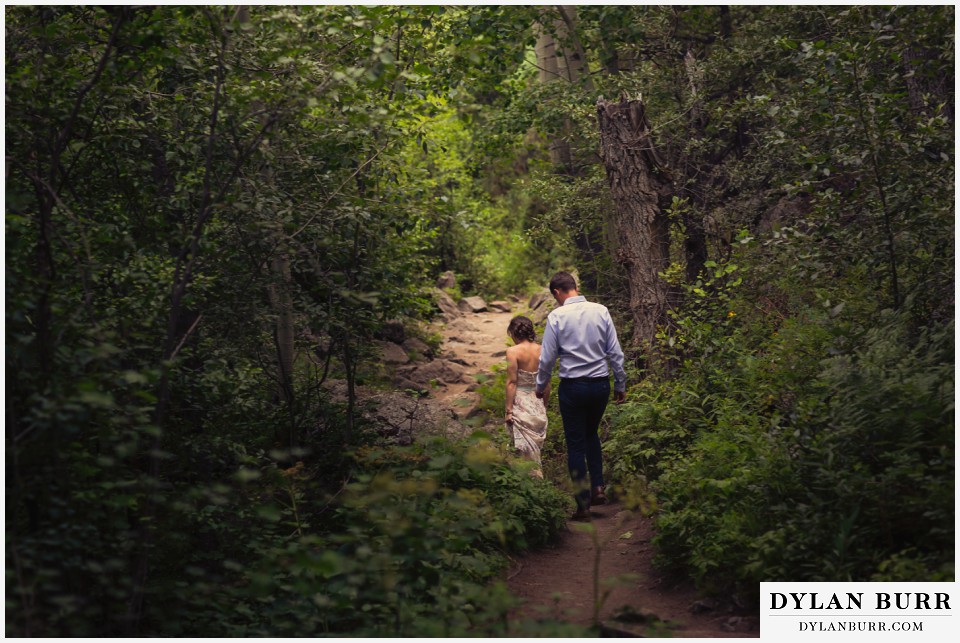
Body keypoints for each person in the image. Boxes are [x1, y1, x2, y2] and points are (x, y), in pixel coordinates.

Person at [535, 271, 627, 520]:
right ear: (575, 287)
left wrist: (540, 384)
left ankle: (583, 504)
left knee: (575, 442)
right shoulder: (601, 311)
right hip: (600, 386)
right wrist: (620, 383)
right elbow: (615, 353)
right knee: (591, 434)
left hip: (573, 387)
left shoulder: (556, 316)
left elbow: (547, 358)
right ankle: (598, 486)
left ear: (557, 293)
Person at [504, 315, 549, 478]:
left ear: (514, 333)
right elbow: (546, 382)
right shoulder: (543, 349)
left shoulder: (512, 352)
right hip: (536, 401)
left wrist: (509, 410)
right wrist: (543, 406)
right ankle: (536, 478)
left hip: (520, 402)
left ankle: (525, 481)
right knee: (534, 450)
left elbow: (512, 382)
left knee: (519, 449)